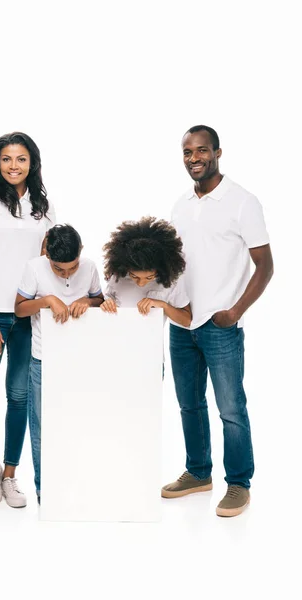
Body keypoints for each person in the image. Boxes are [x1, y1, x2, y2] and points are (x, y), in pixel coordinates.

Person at [162, 125, 273, 517]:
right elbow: (174, 263)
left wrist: (236, 311)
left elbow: (265, 265)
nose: (194, 158)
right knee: (189, 405)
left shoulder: (242, 201)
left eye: (201, 151)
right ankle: (198, 472)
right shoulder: (180, 205)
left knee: (230, 408)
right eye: (188, 153)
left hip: (220, 323)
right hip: (181, 322)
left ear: (218, 153)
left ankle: (239, 483)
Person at [0, 132, 56, 508]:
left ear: (31, 163)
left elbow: (47, 267)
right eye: (6, 159)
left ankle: (11, 476)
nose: (13, 166)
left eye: (20, 159)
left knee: (19, 399)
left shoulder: (44, 208)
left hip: (27, 317)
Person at [14, 224, 104, 504]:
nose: (66, 274)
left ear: (81, 254)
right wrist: (47, 300)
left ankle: (80, 485)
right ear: (48, 257)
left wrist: (87, 302)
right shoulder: (34, 268)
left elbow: (100, 299)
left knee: (80, 423)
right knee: (42, 426)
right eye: (59, 269)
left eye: (71, 268)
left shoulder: (89, 267)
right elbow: (19, 308)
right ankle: (45, 490)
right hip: (44, 359)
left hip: (82, 359)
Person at [100, 217, 191, 333]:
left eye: (149, 277)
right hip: (116, 342)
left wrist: (164, 306)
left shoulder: (170, 281)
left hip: (151, 347)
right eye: (134, 276)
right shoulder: (117, 278)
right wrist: (105, 304)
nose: (141, 283)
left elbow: (187, 320)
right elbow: (104, 305)